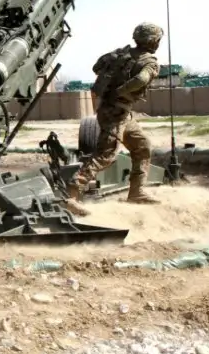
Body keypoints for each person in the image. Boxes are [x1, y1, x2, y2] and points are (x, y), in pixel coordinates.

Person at [63, 22, 165, 217]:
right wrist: (122, 90)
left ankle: (137, 192)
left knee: (142, 146)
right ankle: (72, 194)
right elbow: (142, 80)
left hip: (118, 112)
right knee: (106, 155)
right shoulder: (150, 62)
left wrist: (115, 78)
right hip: (116, 113)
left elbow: (97, 67)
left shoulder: (119, 54)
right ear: (153, 41)